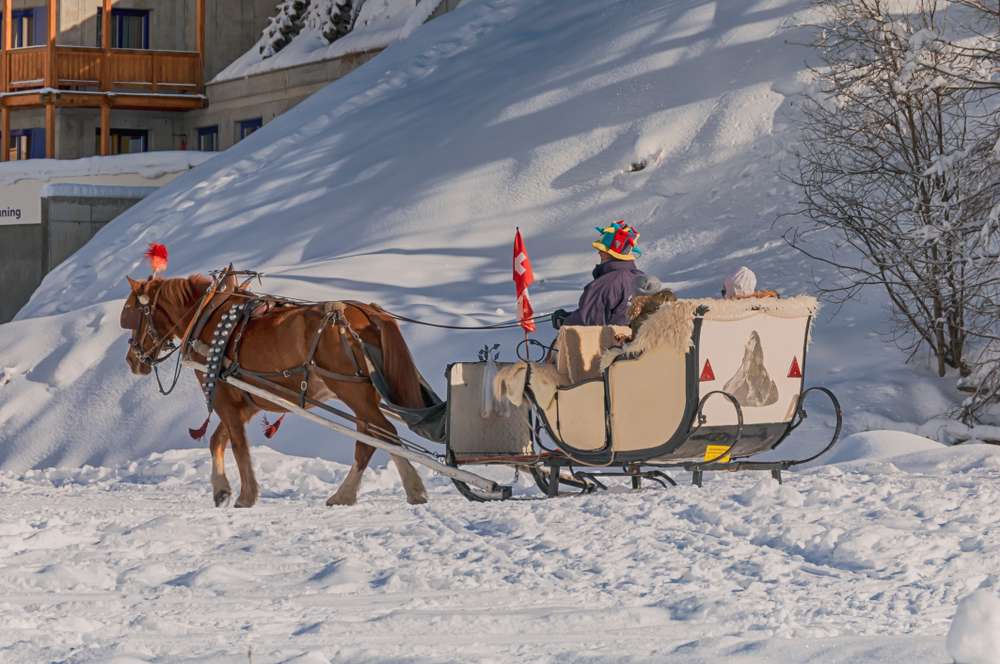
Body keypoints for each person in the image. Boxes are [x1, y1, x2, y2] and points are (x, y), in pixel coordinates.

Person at [552, 221, 650, 328]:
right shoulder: (642, 278)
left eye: (602, 250)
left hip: (612, 342)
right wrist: (572, 315)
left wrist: (564, 321)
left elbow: (588, 322)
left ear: (606, 253)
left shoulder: (606, 283)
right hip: (638, 341)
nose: (599, 253)